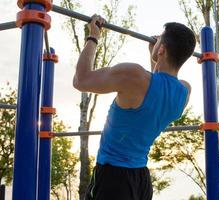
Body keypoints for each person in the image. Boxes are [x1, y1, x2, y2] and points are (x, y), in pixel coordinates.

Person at [73, 14, 196, 200]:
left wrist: (93, 36)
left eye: (159, 41)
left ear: (162, 49)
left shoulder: (134, 76)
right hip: (141, 182)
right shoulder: (183, 93)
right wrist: (154, 54)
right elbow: (157, 88)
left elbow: (81, 80)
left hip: (112, 180)